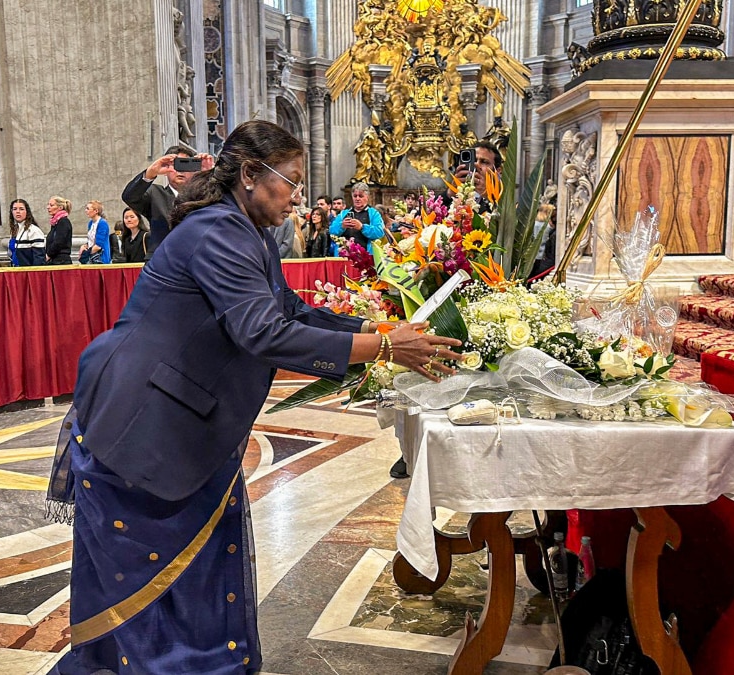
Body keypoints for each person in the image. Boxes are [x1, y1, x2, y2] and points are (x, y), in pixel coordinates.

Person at [46, 120, 461, 674]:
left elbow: (288, 310)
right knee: (143, 594)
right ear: (249, 174)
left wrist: (371, 326)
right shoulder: (216, 232)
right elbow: (263, 333)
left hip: (185, 421)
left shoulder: (249, 232)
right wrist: (383, 348)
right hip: (147, 422)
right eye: (289, 180)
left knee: (193, 579)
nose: (298, 195)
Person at [121, 145, 214, 246]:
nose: (181, 171)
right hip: (162, 256)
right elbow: (129, 197)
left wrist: (208, 175)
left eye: (185, 165)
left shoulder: (203, 196)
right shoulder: (155, 194)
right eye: (176, 165)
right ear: (165, 170)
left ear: (194, 169)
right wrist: (150, 173)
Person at [330, 182, 385, 252]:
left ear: (367, 197)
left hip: (366, 256)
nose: (357, 199)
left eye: (361, 196)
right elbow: (332, 232)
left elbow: (380, 233)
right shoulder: (343, 214)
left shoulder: (374, 213)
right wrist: (342, 226)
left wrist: (362, 227)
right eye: (355, 196)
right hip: (344, 255)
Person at [452, 139, 502, 212]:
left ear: (497, 171)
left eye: (484, 162)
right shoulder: (454, 193)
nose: (477, 165)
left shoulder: (503, 198)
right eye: (474, 160)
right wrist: (450, 193)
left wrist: (486, 195)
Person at [7, 198, 46, 266]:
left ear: (27, 211)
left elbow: (39, 258)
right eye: (15, 209)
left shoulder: (33, 230)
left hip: (28, 273)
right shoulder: (14, 230)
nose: (18, 211)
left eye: (21, 209)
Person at [78, 200, 111, 264]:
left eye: (88, 209)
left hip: (100, 257)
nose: (86, 210)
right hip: (92, 255)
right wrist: (85, 246)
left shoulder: (102, 223)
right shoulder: (91, 223)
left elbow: (99, 245)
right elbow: (91, 240)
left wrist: (85, 254)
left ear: (96, 211)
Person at [44, 196, 73, 265]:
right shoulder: (56, 222)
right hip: (55, 260)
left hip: (61, 262)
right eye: (48, 205)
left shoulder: (63, 222)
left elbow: (59, 242)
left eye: (51, 205)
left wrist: (48, 255)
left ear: (60, 208)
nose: (48, 207)